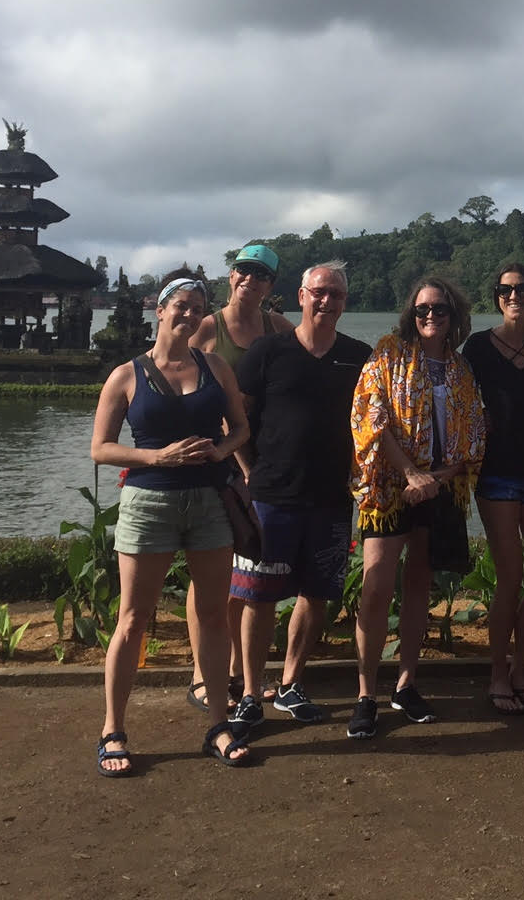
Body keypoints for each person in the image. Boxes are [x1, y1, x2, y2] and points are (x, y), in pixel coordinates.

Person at [89, 276, 252, 774]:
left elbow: (242, 427)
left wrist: (222, 450)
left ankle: (219, 725)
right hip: (149, 503)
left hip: (208, 501)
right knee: (133, 620)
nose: (189, 314)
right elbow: (100, 448)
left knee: (213, 615)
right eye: (180, 305)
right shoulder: (126, 374)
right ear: (159, 311)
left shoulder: (214, 366)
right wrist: (156, 456)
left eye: (198, 308)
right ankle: (113, 729)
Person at [223, 262, 371, 733]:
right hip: (272, 494)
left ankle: (290, 683)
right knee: (258, 596)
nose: (327, 302)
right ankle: (249, 692)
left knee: (317, 593)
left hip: (331, 497)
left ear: (345, 303)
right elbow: (237, 421)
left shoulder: (359, 356)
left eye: (337, 296)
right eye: (319, 293)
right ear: (301, 296)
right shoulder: (269, 352)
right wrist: (249, 474)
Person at [348, 276, 487, 738]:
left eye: (440, 310)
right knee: (376, 585)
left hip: (437, 491)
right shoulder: (387, 353)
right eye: (422, 310)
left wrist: (435, 479)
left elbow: (471, 439)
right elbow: (371, 418)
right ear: (411, 313)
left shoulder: (461, 369)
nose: (430, 317)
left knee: (418, 587)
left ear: (454, 316)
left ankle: (406, 682)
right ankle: (366, 692)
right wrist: (410, 473)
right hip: (390, 488)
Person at [187, 241, 295, 713]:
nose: (249, 280)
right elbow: (177, 385)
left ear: (272, 287)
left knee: (247, 568)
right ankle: (201, 672)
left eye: (261, 275)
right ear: (229, 276)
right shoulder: (207, 329)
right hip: (217, 465)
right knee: (211, 572)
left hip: (265, 465)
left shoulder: (279, 328)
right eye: (242, 271)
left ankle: (236, 670)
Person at [461, 263, 524, 715]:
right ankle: (498, 672)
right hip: (496, 471)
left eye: (521, 289)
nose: (513, 296)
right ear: (496, 297)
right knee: (510, 577)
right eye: (505, 290)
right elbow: (457, 396)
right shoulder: (479, 346)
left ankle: (522, 668)